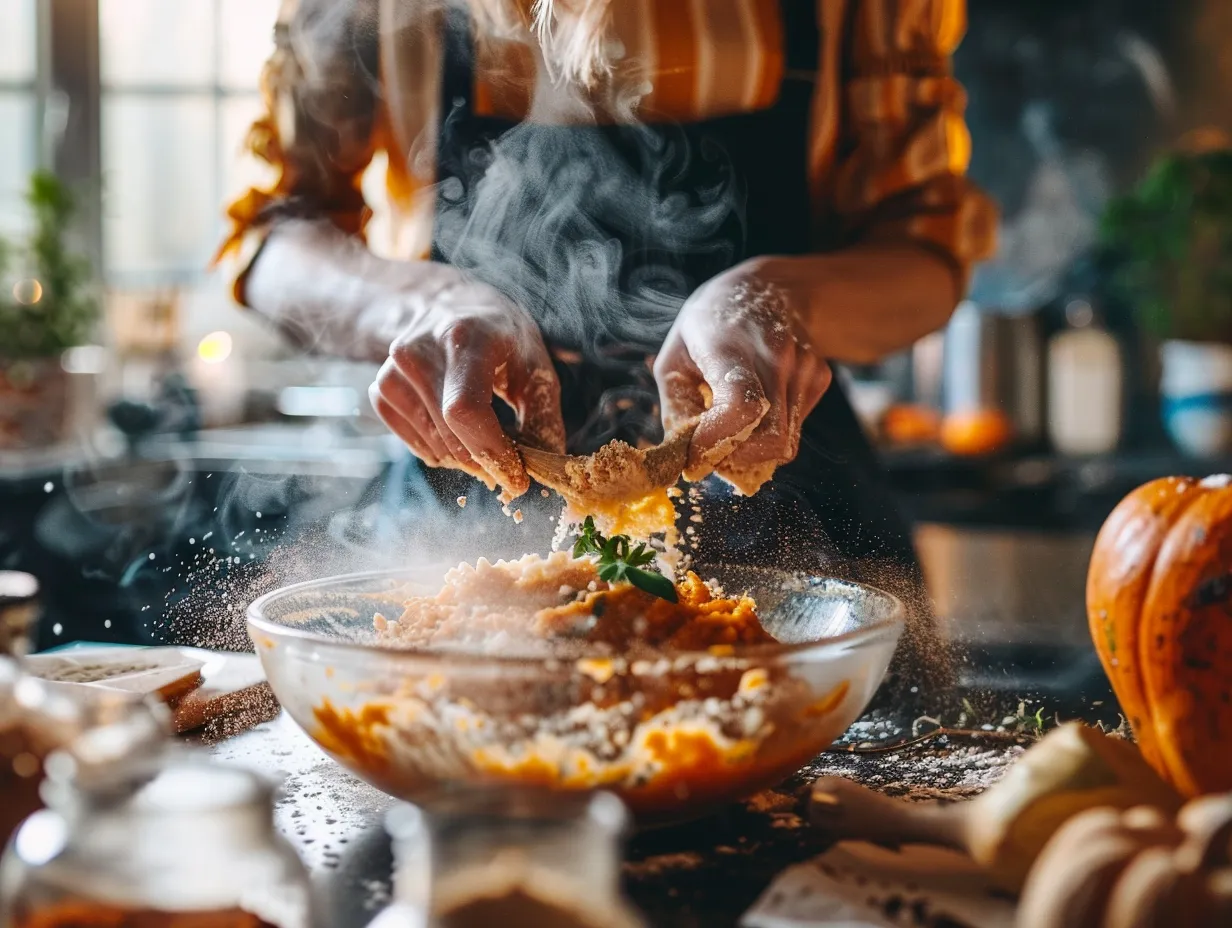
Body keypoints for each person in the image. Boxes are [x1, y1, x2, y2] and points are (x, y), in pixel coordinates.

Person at [217, 0, 997, 696]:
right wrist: (427, 301)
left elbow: (924, 248)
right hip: (463, 474)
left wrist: (775, 297)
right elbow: (277, 231)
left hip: (796, 515)